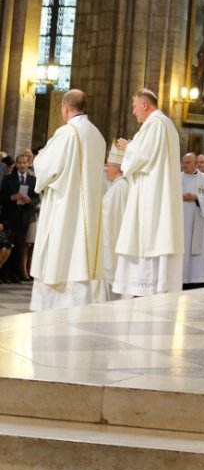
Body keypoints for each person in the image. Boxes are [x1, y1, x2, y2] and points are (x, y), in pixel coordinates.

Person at [30, 88, 106, 311]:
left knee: (60, 252)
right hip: (88, 210)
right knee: (79, 254)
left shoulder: (67, 133)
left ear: (65, 108)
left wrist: (40, 157)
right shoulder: (97, 135)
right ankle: (79, 301)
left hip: (65, 206)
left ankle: (55, 304)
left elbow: (45, 167)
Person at [112, 89, 184, 298]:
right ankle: (156, 283)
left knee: (147, 235)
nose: (134, 112)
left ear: (145, 105)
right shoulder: (166, 124)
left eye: (135, 106)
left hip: (151, 193)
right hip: (157, 189)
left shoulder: (154, 125)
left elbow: (139, 157)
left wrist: (129, 147)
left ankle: (145, 285)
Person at [180, 152, 204, 288]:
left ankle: (198, 279)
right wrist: (180, 197)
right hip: (181, 223)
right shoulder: (176, 178)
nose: (184, 165)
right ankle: (181, 277)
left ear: (196, 164)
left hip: (199, 221)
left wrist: (197, 198)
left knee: (197, 250)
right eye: (183, 162)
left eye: (188, 162)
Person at [0, 152, 38, 282]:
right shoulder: (8, 178)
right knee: (8, 245)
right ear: (16, 164)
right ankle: (5, 274)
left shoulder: (33, 180)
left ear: (28, 164)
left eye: (25, 163)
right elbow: (2, 196)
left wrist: (30, 200)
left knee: (20, 246)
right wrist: (11, 197)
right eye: (20, 163)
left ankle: (16, 274)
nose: (22, 165)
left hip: (24, 216)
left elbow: (36, 197)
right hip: (10, 215)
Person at [101, 140, 129, 300]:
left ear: (118, 168)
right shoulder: (117, 186)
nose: (105, 169)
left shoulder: (120, 188)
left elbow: (113, 217)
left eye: (109, 165)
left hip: (113, 239)